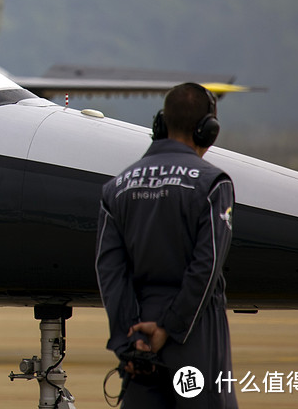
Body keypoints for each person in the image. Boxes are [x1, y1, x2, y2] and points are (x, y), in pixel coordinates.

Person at [95, 83, 237, 408]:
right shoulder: (213, 185)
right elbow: (206, 267)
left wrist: (129, 340)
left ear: (160, 123)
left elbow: (109, 273)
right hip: (194, 330)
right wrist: (171, 328)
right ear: (208, 131)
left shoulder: (116, 188)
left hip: (139, 337)